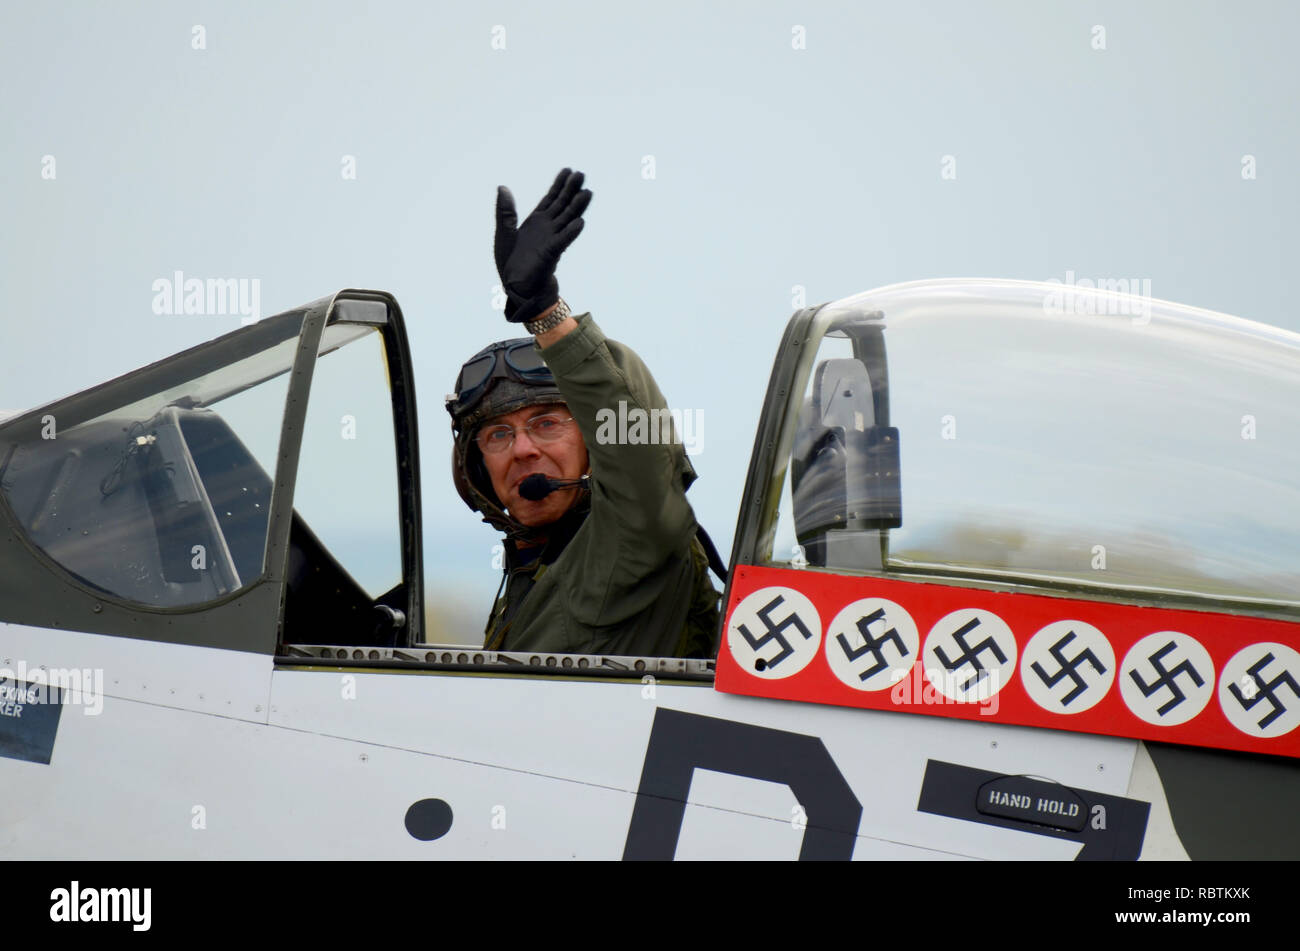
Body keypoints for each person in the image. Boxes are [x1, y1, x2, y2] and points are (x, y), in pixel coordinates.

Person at [446, 168, 721, 657]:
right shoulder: (532, 565)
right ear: (478, 469)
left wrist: (546, 313)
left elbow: (639, 454)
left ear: (594, 447)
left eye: (546, 424)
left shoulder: (633, 543)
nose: (524, 449)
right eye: (498, 436)